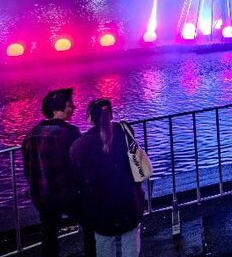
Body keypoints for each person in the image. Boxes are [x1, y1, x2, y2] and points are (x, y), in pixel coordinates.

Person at [21, 88, 95, 257]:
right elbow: (79, 164)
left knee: (49, 235)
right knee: (89, 225)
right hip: (67, 194)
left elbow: (28, 168)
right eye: (69, 105)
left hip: (42, 196)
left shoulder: (31, 135)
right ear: (56, 110)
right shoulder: (70, 133)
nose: (74, 108)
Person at [69, 99, 144, 257]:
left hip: (99, 206)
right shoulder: (124, 132)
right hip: (128, 200)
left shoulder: (79, 146)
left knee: (104, 243)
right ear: (111, 114)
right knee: (130, 242)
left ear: (89, 117)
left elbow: (77, 178)